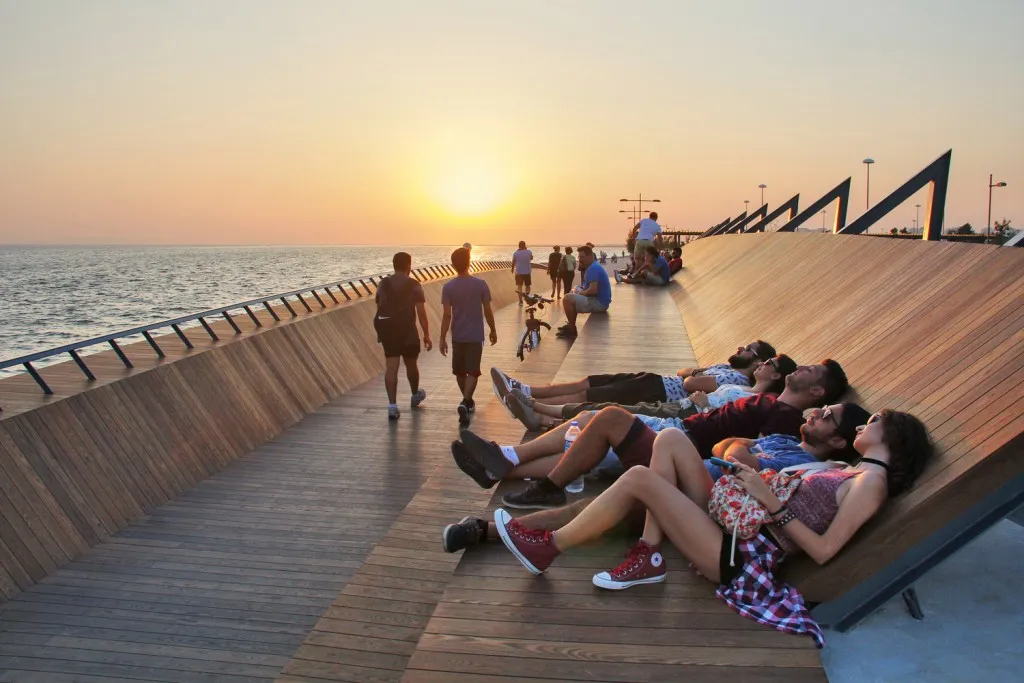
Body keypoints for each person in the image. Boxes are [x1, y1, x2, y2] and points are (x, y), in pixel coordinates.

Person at [491, 410, 933, 646]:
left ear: (893, 439)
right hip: (735, 525)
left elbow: (822, 551)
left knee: (640, 479)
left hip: (742, 556)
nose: (862, 423)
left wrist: (771, 500)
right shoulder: (854, 471)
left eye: (873, 422)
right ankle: (649, 554)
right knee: (668, 439)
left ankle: (551, 547)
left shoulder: (871, 485)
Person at [441, 401, 871, 552]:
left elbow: (742, 464)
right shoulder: (781, 437)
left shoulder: (809, 465)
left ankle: (489, 531)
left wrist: (740, 449)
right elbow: (725, 450)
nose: (815, 415)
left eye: (826, 416)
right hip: (691, 470)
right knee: (607, 418)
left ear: (837, 443)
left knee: (596, 504)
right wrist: (737, 450)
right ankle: (527, 476)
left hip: (701, 498)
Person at [454, 359, 849, 508]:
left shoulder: (783, 421)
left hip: (682, 442)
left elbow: (742, 458)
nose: (801, 369)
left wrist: (719, 432)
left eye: (811, 373)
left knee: (597, 428)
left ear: (818, 392)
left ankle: (508, 459)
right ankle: (501, 463)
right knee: (581, 429)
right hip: (680, 429)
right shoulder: (774, 407)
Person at [504, 355, 796, 433]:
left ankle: (535, 407)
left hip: (669, 397)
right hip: (665, 390)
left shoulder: (737, 379)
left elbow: (691, 383)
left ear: (775, 375)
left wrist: (699, 388)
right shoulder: (741, 382)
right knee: (591, 388)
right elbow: (690, 376)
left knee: (599, 401)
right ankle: (533, 401)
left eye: (766, 361)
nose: (759, 362)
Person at [490, 341, 775, 407]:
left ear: (757, 362)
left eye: (748, 349)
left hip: (657, 391)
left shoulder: (735, 379)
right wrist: (693, 374)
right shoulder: (727, 368)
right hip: (655, 380)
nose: (741, 348)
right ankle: (525, 389)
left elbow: (690, 381)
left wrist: (694, 374)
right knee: (588, 382)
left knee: (588, 395)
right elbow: (684, 371)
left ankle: (526, 402)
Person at [440, 247, 498, 426]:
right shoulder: (480, 284)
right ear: (469, 261)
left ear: (453, 265)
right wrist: (493, 329)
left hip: (458, 335)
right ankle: (466, 401)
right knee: (473, 370)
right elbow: (487, 310)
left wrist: (442, 337)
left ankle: (467, 401)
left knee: (459, 371)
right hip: (475, 335)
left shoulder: (448, 287)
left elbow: (447, 314)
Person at [373, 252, 433, 420]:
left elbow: (379, 307)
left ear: (394, 265)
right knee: (411, 364)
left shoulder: (382, 284)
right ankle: (415, 394)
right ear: (408, 266)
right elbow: (421, 312)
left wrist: (380, 333)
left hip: (386, 326)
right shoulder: (414, 284)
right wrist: (426, 334)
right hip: (407, 328)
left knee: (391, 366)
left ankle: (392, 406)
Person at [557, 245, 611, 339]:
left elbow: (593, 290)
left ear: (590, 256)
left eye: (582, 257)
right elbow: (589, 288)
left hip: (599, 303)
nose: (580, 259)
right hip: (601, 301)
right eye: (579, 257)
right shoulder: (593, 266)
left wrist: (580, 293)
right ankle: (571, 326)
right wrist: (579, 290)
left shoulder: (593, 268)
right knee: (574, 291)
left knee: (567, 298)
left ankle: (571, 328)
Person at [512, 241, 534, 306]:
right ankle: (527, 297)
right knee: (527, 286)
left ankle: (520, 301)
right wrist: (526, 250)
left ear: (519, 246)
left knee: (519, 287)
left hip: (518, 272)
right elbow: (531, 258)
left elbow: (513, 262)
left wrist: (512, 269)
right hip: (527, 272)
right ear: (525, 245)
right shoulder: (529, 252)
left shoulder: (515, 253)